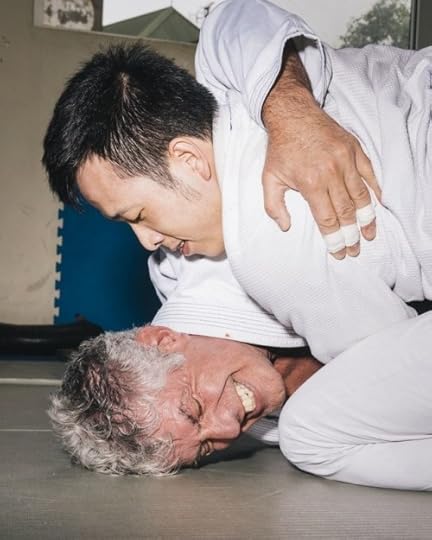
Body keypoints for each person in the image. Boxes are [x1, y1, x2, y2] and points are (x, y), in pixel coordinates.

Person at [43, 1, 431, 361]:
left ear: (189, 160)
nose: (147, 240)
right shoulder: (174, 266)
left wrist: (292, 111)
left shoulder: (266, 239)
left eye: (138, 215)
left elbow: (392, 366)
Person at [48, 306, 432, 491]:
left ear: (164, 340)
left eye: (193, 409)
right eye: (205, 449)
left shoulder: (239, 266)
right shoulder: (290, 430)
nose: (230, 430)